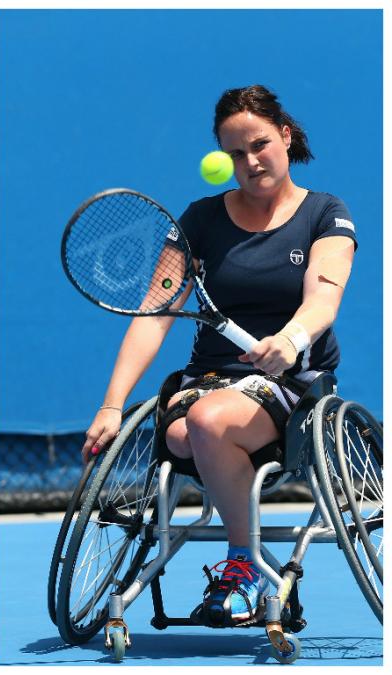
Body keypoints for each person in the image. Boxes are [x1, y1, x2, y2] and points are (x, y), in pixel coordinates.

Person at [82, 85, 356, 625]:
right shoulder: (201, 221)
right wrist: (112, 405)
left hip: (294, 386)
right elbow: (155, 314)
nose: (250, 162)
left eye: (259, 145)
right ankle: (241, 539)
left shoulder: (325, 212)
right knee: (185, 432)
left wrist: (290, 340)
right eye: (235, 153)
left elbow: (324, 297)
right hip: (209, 377)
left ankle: (242, 564)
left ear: (286, 135)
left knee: (204, 425)